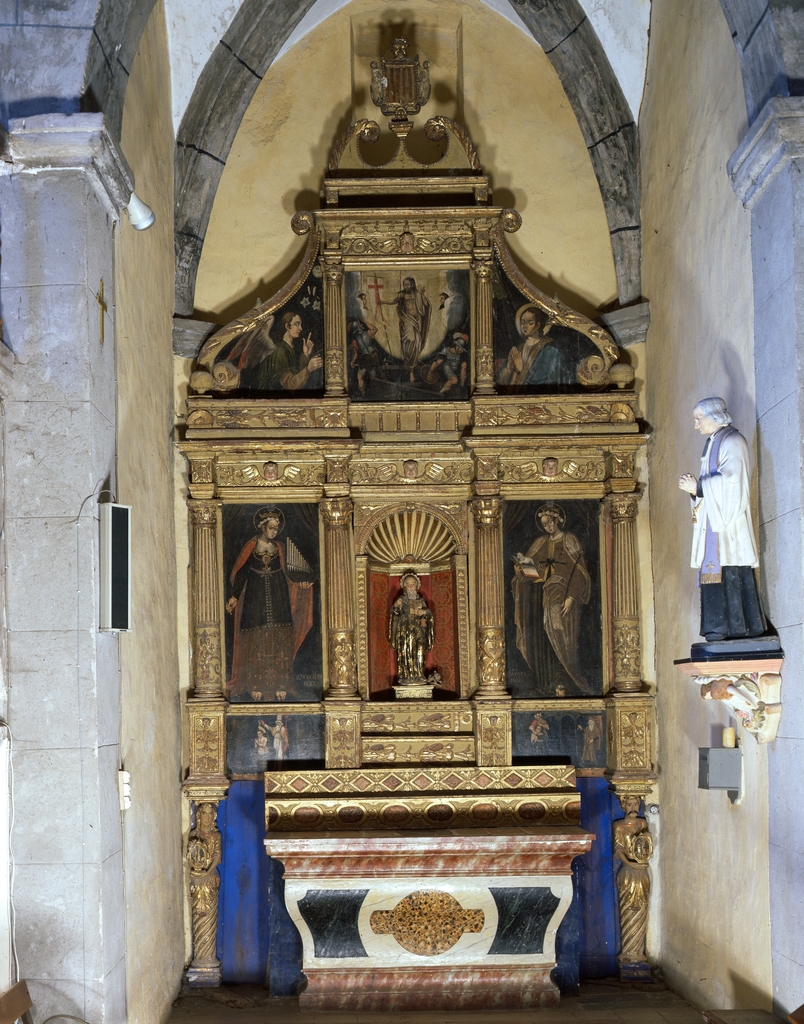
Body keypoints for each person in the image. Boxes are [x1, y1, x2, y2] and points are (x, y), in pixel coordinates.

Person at [678, 397, 766, 642]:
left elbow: (733, 481)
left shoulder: (732, 441)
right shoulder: (713, 443)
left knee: (731, 571)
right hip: (714, 523)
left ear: (714, 415)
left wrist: (699, 486)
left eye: (699, 419)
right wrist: (696, 492)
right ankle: (717, 628)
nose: (696, 425)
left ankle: (738, 629)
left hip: (727, 526)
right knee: (717, 573)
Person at [226, 507, 314, 700]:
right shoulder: (251, 546)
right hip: (255, 597)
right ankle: (254, 685)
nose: (274, 531)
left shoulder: (280, 548)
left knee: (280, 638)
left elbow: (291, 574)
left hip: (278, 595)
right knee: (256, 639)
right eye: (271, 528)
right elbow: (241, 572)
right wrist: (234, 596)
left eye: (276, 528)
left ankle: (281, 685)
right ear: (263, 526)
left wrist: (303, 584)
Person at [512, 503, 592, 694]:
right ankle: (545, 683)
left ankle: (563, 681)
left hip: (561, 598)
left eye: (550, 522)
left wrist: (571, 596)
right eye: (544, 524)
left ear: (558, 520)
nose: (548, 527)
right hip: (539, 598)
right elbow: (529, 572)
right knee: (541, 638)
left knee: (561, 637)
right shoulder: (539, 543)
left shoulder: (570, 540)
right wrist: (520, 572)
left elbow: (579, 573)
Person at [613, 795, 652, 965]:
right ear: (624, 805)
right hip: (628, 872)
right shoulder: (619, 826)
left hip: (641, 871)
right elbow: (619, 848)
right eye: (629, 804)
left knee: (641, 907)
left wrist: (641, 860)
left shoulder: (642, 823)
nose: (633, 807)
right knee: (628, 908)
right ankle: (628, 952)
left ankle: (637, 952)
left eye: (636, 804)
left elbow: (645, 844)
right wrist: (629, 862)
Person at [381, 276, 431, 383]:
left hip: (417, 321)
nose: (406, 286)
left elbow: (426, 305)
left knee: (415, 343)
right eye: (405, 284)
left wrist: (422, 294)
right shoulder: (402, 294)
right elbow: (394, 301)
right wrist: (383, 302)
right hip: (407, 320)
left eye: (408, 284)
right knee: (408, 341)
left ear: (412, 284)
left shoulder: (417, 294)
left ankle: (411, 371)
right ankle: (407, 360)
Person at [388, 572, 434, 683]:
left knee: (419, 653)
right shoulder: (400, 601)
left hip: (418, 633)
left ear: (417, 586)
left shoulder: (421, 601)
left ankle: (419, 675)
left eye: (413, 584)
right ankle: (406, 676)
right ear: (403, 586)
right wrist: (395, 607)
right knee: (405, 652)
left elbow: (429, 615)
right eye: (408, 584)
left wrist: (425, 612)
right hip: (405, 633)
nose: (410, 587)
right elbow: (394, 616)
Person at [260, 311, 323, 391]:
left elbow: (296, 374)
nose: (301, 328)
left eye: (300, 324)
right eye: (297, 324)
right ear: (287, 326)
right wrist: (309, 369)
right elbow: (290, 386)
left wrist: (305, 355)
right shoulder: (280, 351)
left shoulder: (291, 347)